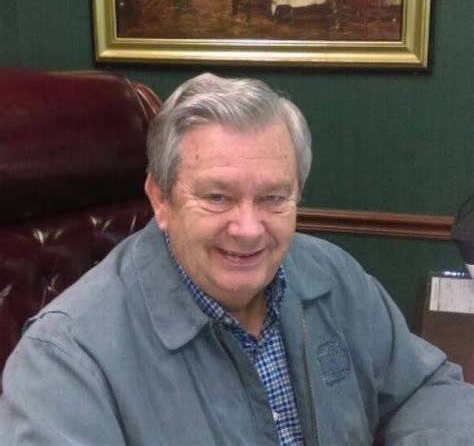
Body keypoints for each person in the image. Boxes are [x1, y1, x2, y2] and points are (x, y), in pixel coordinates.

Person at [0, 73, 473, 445]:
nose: (248, 229)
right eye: (217, 197)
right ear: (161, 199)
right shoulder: (63, 361)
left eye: (273, 198)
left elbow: (427, 388)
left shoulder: (332, 274)